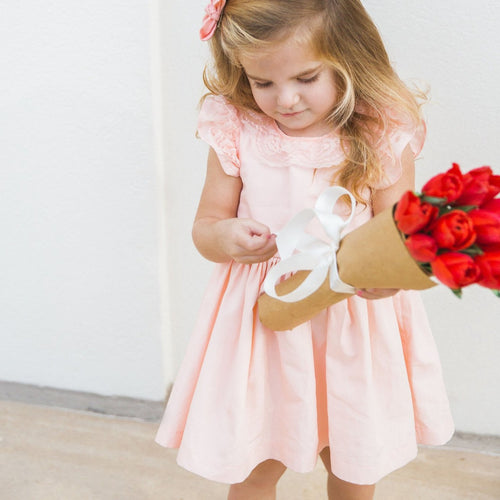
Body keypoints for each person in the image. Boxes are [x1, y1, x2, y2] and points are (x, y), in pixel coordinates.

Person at [155, 1, 454, 498]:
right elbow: (206, 226)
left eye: (305, 77)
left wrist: (389, 276)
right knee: (255, 463)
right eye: (263, 82)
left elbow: (399, 233)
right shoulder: (238, 128)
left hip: (350, 316)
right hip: (264, 319)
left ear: (348, 58)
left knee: (353, 460)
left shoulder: (380, 129)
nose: (284, 99)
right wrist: (223, 237)